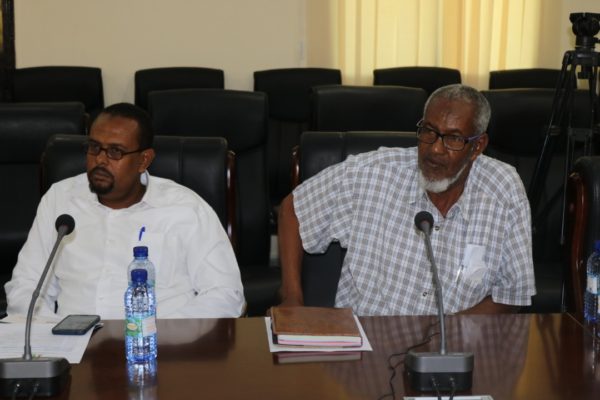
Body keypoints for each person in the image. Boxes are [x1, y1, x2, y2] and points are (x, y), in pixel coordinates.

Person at [278, 84, 536, 316]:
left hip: (455, 344)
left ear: (477, 146)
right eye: (429, 131)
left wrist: (450, 334)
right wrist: (291, 298)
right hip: (369, 341)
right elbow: (293, 209)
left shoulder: (503, 189)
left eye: (454, 139)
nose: (435, 149)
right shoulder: (371, 174)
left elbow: (512, 293)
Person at [5, 103, 245, 319]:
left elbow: (226, 294)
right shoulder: (60, 199)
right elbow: (27, 285)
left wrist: (154, 334)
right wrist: (52, 333)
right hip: (72, 345)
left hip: (159, 344)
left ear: (144, 160)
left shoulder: (186, 208)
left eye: (115, 152)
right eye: (94, 147)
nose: (100, 160)